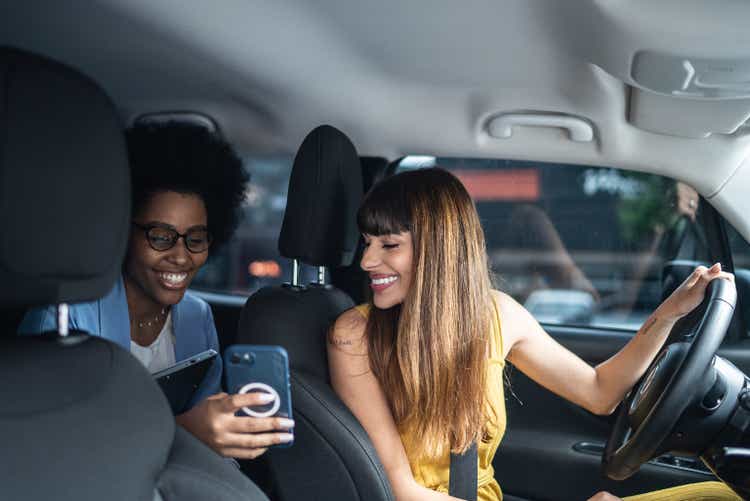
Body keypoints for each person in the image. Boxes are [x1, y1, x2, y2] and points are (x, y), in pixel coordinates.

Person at [327, 168, 738, 501]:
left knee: (719, 493)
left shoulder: (498, 315)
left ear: (439, 247)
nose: (367, 260)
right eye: (367, 243)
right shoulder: (354, 335)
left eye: (388, 245)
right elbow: (400, 490)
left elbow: (599, 391)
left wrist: (666, 316)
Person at [19, 123, 293, 459]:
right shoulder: (62, 319)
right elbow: (44, 447)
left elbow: (207, 430)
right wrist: (184, 431)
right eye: (160, 237)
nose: (180, 256)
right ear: (120, 230)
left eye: (196, 238)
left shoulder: (197, 316)